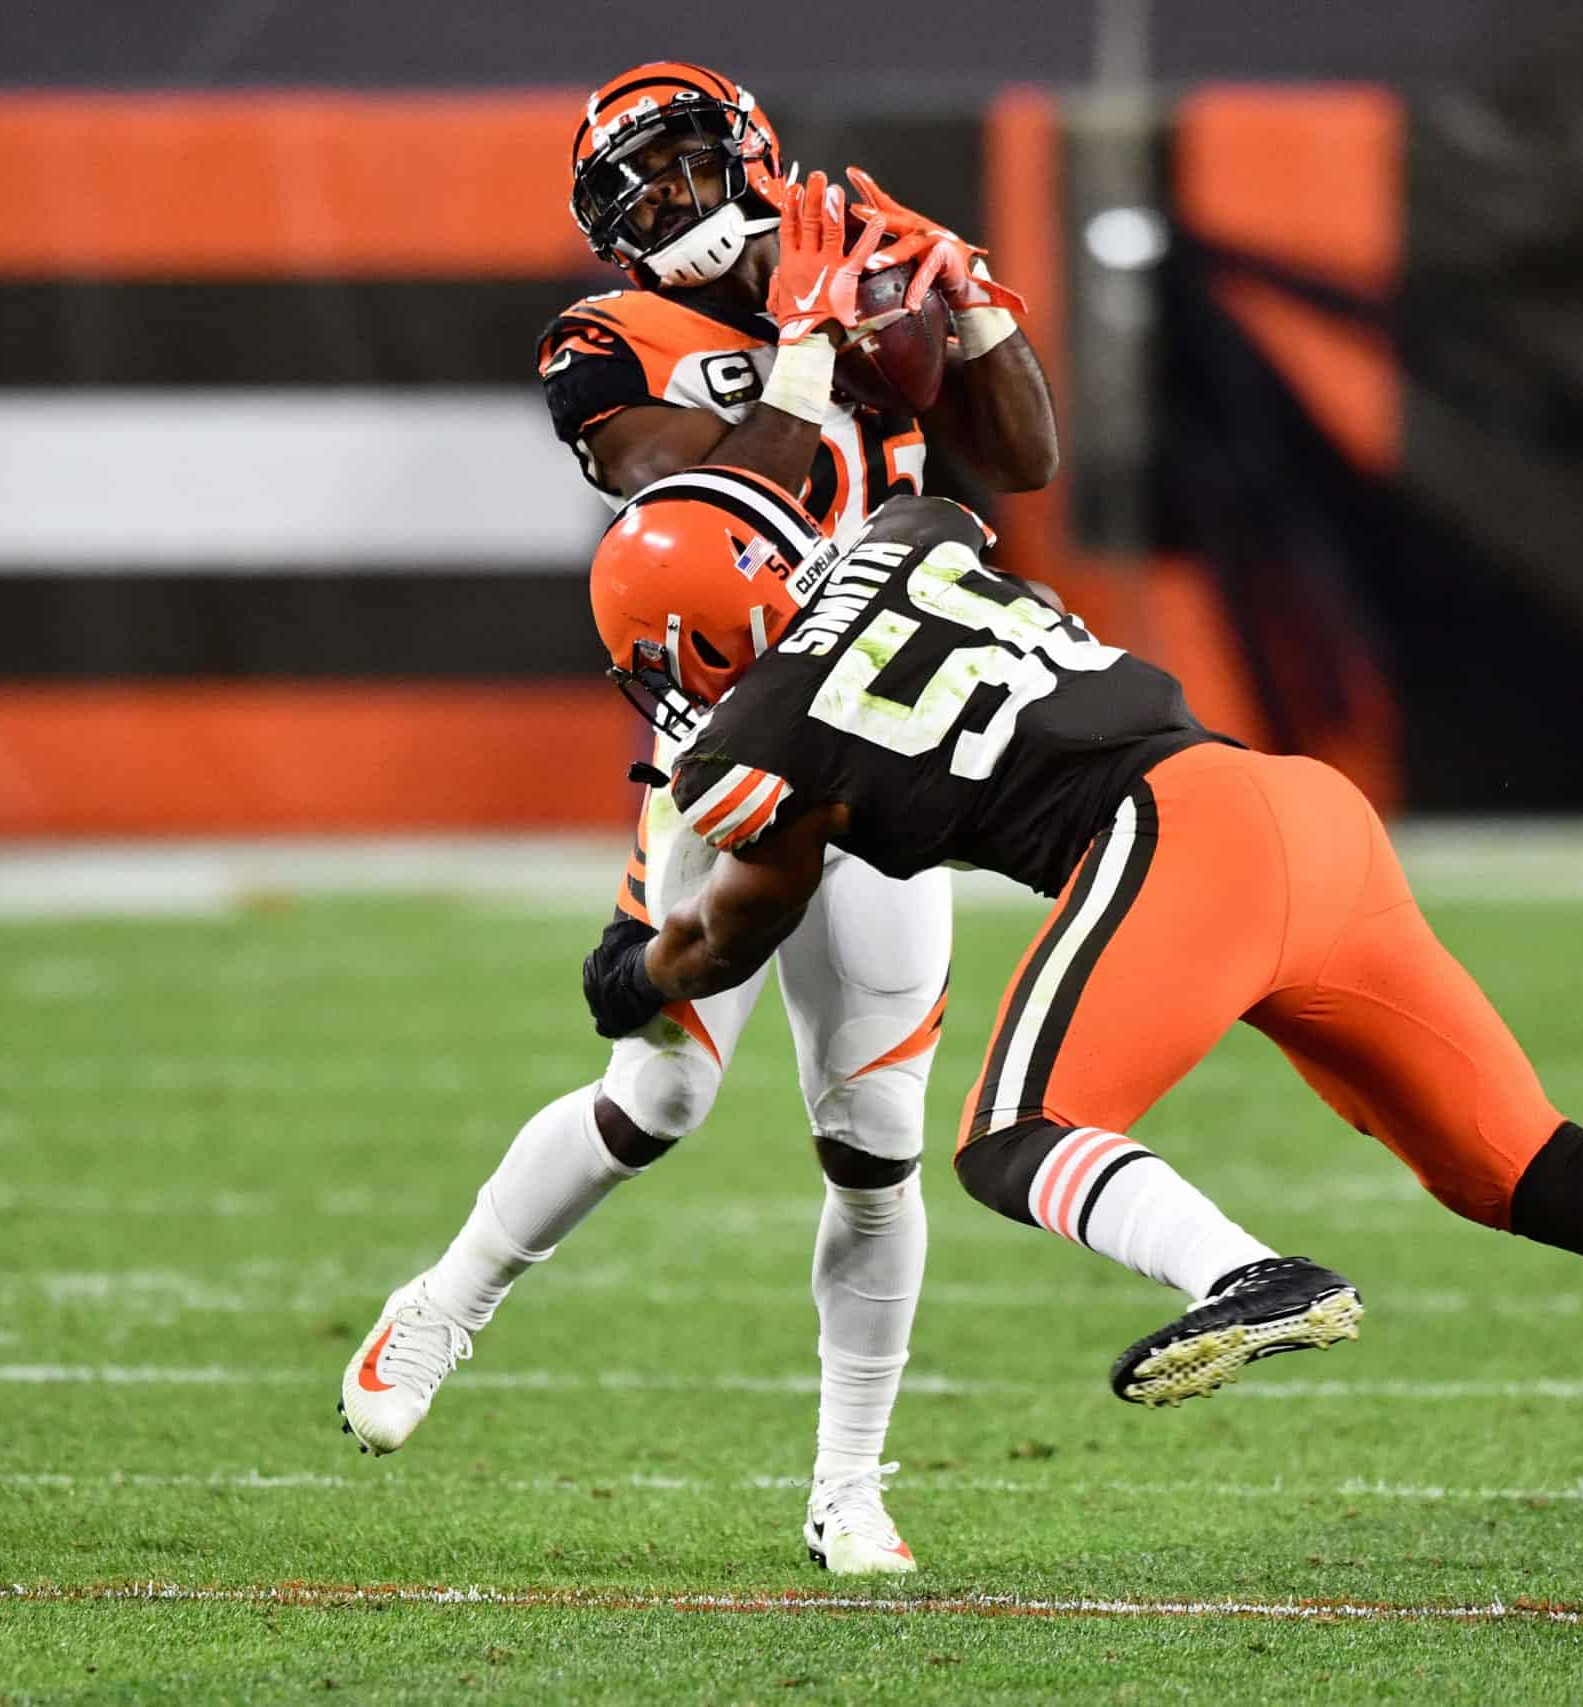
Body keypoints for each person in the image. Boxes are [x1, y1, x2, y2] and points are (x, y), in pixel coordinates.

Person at [574, 245, 1583, 1555]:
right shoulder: (912, 534)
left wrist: (636, 973)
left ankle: (1252, 1275)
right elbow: (958, 488)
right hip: (1299, 812)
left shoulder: (756, 734)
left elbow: (735, 927)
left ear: (697, 633)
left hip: (1175, 838)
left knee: (1015, 1137)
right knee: (1512, 1164)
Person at [338, 61, 1059, 1578]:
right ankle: (448, 1298)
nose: (669, 205)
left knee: (873, 1145)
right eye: (638, 190)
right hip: (727, 740)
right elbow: (718, 508)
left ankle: (849, 1483)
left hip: (884, 742)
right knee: (657, 1099)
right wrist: (809, 346)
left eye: (683, 167)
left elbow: (1027, 457)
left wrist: (965, 293)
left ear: (745, 152)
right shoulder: (602, 341)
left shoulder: (852, 266)